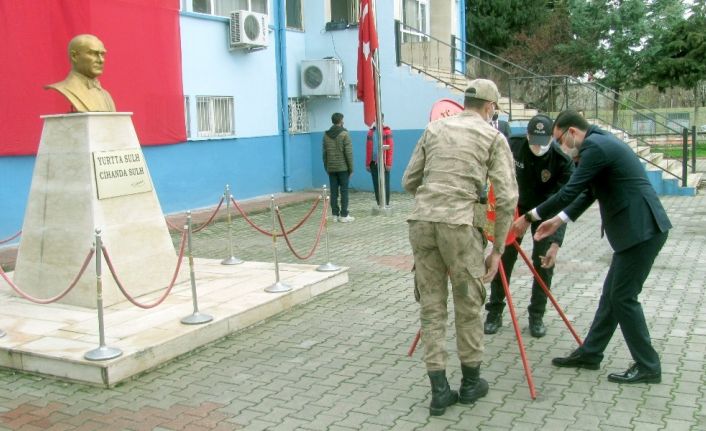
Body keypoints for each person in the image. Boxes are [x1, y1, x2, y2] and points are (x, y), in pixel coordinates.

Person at [514, 109, 671, 384]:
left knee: (623, 298)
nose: (560, 146)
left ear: (572, 132)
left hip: (642, 231)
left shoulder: (595, 147)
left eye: (559, 139)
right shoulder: (600, 143)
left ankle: (648, 365)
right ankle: (591, 353)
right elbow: (587, 193)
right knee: (612, 296)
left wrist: (530, 217)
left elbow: (569, 191)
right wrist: (558, 219)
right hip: (637, 232)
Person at [403, 79, 518, 416]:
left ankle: (439, 390)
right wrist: (497, 249)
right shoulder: (493, 137)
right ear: (489, 107)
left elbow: (410, 181)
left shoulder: (434, 128)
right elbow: (508, 195)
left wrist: (435, 198)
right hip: (460, 225)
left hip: (422, 222)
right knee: (468, 304)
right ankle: (470, 384)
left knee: (432, 306)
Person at [484, 114, 574, 338]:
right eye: (534, 140)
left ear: (552, 138)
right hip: (515, 211)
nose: (538, 146)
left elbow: (563, 204)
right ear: (527, 135)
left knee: (543, 264)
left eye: (543, 142)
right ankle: (494, 311)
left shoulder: (562, 162)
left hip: (545, 213)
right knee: (503, 260)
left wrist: (556, 242)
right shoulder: (512, 146)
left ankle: (536, 316)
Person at [46, 34, 116, 112]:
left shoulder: (106, 96)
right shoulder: (64, 88)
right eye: (93, 53)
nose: (101, 60)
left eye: (102, 54)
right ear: (74, 56)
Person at [322, 112, 354, 222]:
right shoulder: (345, 134)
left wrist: (327, 167)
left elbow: (324, 154)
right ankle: (344, 215)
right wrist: (351, 169)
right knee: (344, 191)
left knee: (334, 191)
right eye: (342, 120)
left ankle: (334, 215)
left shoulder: (326, 135)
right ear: (340, 121)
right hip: (343, 168)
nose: (343, 121)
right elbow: (348, 153)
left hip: (331, 168)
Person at [365, 114, 394, 208]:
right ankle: (379, 203)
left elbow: (390, 149)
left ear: (382, 119)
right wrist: (367, 163)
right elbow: (368, 149)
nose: (377, 121)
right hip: (373, 162)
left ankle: (386, 203)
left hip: (384, 162)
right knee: (376, 183)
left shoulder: (387, 131)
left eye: (379, 119)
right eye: (375, 119)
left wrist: (389, 163)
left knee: (385, 183)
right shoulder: (370, 132)